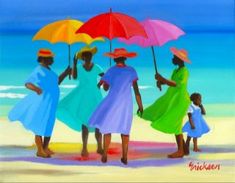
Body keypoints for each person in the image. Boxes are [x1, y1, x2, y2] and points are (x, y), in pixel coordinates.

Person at [8, 48, 71, 158]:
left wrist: (65, 73)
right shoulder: (38, 70)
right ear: (44, 59)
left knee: (49, 124)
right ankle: (40, 150)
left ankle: (45, 148)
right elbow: (27, 83)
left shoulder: (50, 71)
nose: (52, 60)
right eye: (51, 58)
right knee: (40, 124)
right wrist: (37, 89)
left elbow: (57, 82)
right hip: (43, 102)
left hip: (51, 103)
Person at [89, 48, 143, 165]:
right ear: (125, 58)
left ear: (114, 58)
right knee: (125, 130)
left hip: (112, 102)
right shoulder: (131, 71)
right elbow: (136, 91)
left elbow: (106, 88)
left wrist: (105, 82)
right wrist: (140, 105)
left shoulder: (111, 71)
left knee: (107, 128)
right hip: (126, 104)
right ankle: (124, 157)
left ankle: (104, 155)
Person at [141, 47, 191, 158]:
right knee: (174, 121)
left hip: (180, 100)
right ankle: (184, 149)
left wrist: (162, 79)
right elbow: (171, 82)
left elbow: (177, 84)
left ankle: (180, 151)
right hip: (173, 99)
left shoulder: (185, 71)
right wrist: (161, 82)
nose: (172, 59)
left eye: (174, 57)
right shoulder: (176, 70)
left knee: (176, 123)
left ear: (179, 59)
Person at [57, 46, 104, 157]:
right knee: (84, 122)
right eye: (86, 55)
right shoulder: (78, 67)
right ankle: (84, 148)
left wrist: (99, 84)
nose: (89, 57)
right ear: (82, 58)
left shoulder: (97, 67)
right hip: (82, 97)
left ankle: (100, 147)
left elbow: (105, 77)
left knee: (98, 122)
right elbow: (74, 77)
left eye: (90, 55)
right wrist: (74, 63)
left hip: (94, 96)